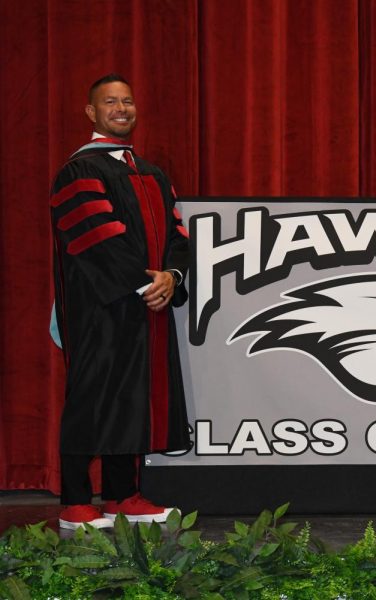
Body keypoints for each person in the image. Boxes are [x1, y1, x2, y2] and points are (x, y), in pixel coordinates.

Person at [50, 74, 191, 529]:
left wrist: (171, 276)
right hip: (100, 307)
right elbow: (96, 237)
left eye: (127, 101)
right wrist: (143, 284)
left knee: (133, 397)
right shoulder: (80, 171)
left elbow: (178, 234)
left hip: (146, 305)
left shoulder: (152, 172)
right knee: (91, 397)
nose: (121, 108)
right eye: (110, 102)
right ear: (91, 112)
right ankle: (74, 501)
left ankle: (121, 495)